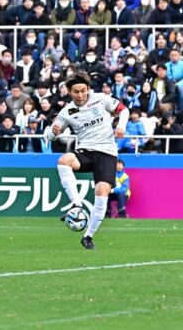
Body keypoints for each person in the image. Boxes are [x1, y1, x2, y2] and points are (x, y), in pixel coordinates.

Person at [46, 72, 130, 250]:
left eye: (83, 90)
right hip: (86, 151)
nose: (81, 95)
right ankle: (77, 204)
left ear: (88, 89)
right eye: (76, 91)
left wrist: (121, 126)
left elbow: (124, 110)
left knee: (102, 191)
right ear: (69, 91)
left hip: (107, 153)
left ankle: (88, 236)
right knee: (64, 160)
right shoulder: (67, 111)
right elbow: (50, 137)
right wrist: (54, 131)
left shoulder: (101, 99)